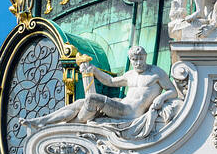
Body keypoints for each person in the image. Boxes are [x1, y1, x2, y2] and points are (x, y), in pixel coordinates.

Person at [24, 44, 179, 139]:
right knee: (80, 102)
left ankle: (64, 127)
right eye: (134, 60)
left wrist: (162, 97)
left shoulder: (156, 73)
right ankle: (42, 121)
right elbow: (110, 81)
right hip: (121, 105)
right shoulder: (130, 75)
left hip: (130, 112)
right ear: (131, 61)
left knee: (91, 99)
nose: (138, 63)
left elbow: (173, 91)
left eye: (140, 59)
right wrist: (95, 71)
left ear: (145, 57)